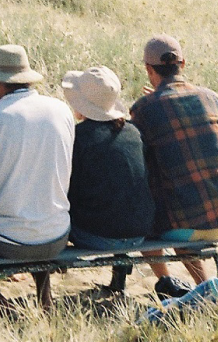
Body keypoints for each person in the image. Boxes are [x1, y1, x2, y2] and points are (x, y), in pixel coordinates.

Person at [0, 43, 74, 309]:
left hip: (5, 240)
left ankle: (3, 305)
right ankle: (44, 297)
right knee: (35, 209)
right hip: (57, 235)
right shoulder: (62, 111)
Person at [129, 33, 218, 285]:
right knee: (187, 188)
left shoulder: (144, 108)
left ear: (148, 69)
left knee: (144, 213)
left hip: (182, 226)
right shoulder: (212, 98)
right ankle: (202, 283)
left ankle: (166, 282)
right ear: (183, 64)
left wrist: (150, 101)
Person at [60, 66, 155, 251]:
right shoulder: (133, 132)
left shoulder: (78, 137)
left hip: (96, 235)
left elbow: (67, 188)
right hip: (139, 232)